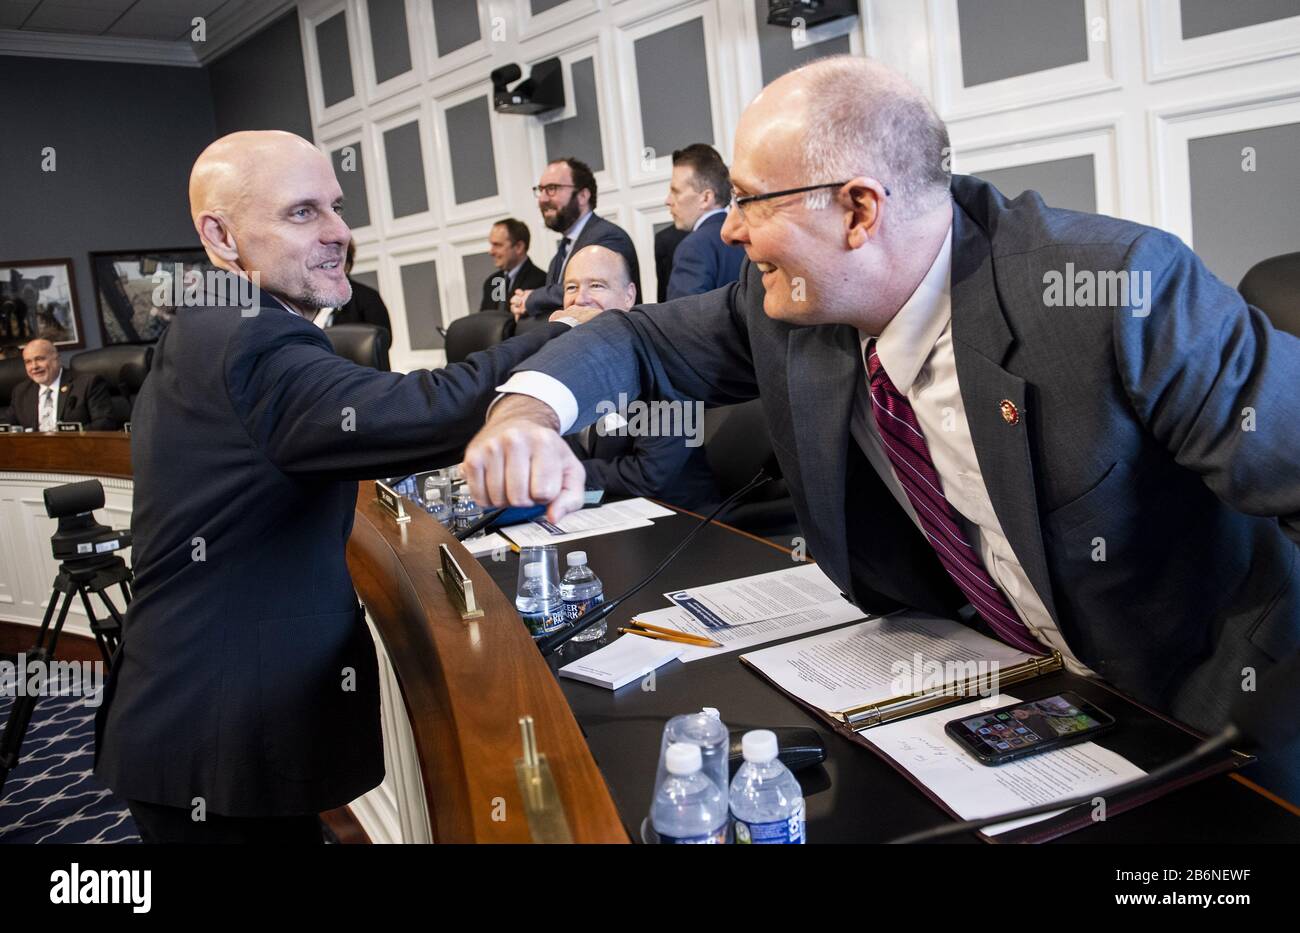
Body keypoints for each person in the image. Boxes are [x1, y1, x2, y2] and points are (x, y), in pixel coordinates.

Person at [463, 56, 1300, 797]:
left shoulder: (1111, 289)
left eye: (752, 200)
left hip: (1216, 712)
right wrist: (528, 412)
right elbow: (637, 339)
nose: (729, 229)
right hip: (1008, 693)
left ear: (859, 210)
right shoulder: (784, 306)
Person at [93, 130, 582, 843]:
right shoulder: (252, 336)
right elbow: (432, 409)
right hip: (218, 742)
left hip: (196, 723)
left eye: (337, 207)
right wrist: (562, 333)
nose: (339, 234)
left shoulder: (211, 321)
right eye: (302, 213)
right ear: (220, 235)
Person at [560, 244, 717, 510]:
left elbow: (650, 476)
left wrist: (564, 472)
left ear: (628, 296)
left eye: (596, 285)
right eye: (571, 288)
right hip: (601, 516)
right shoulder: (566, 363)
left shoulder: (669, 361)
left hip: (680, 524)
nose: (580, 299)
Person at [511, 157, 640, 319]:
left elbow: (589, 294)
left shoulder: (608, 237)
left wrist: (530, 299)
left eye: (552, 188)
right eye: (540, 190)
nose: (542, 199)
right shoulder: (560, 253)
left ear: (582, 196)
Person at [664, 144, 745, 298]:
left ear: (706, 198)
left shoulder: (693, 247)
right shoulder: (747, 237)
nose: (667, 200)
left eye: (675, 191)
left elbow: (684, 318)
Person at [0, 338, 116, 431]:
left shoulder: (87, 384)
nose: (34, 366)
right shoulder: (21, 391)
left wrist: (66, 438)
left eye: (40, 359)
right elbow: (6, 425)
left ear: (56, 359)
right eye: (28, 362)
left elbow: (105, 423)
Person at [318, 239, 391, 337]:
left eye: (333, 263)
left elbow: (381, 340)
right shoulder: (315, 297)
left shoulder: (368, 297)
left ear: (347, 266)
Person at [481, 218, 546, 313]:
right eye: (491, 245)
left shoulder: (541, 281)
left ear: (519, 247)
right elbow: (486, 319)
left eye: (497, 245)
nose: (491, 252)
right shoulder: (493, 281)